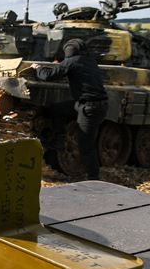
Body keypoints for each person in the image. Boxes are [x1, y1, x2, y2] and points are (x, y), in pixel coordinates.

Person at [33, 39, 108, 179]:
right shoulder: (89, 61)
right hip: (90, 105)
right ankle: (59, 140)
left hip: (90, 108)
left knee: (86, 145)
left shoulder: (72, 62)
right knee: (57, 109)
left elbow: (47, 76)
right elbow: (67, 67)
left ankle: (94, 178)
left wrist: (37, 68)